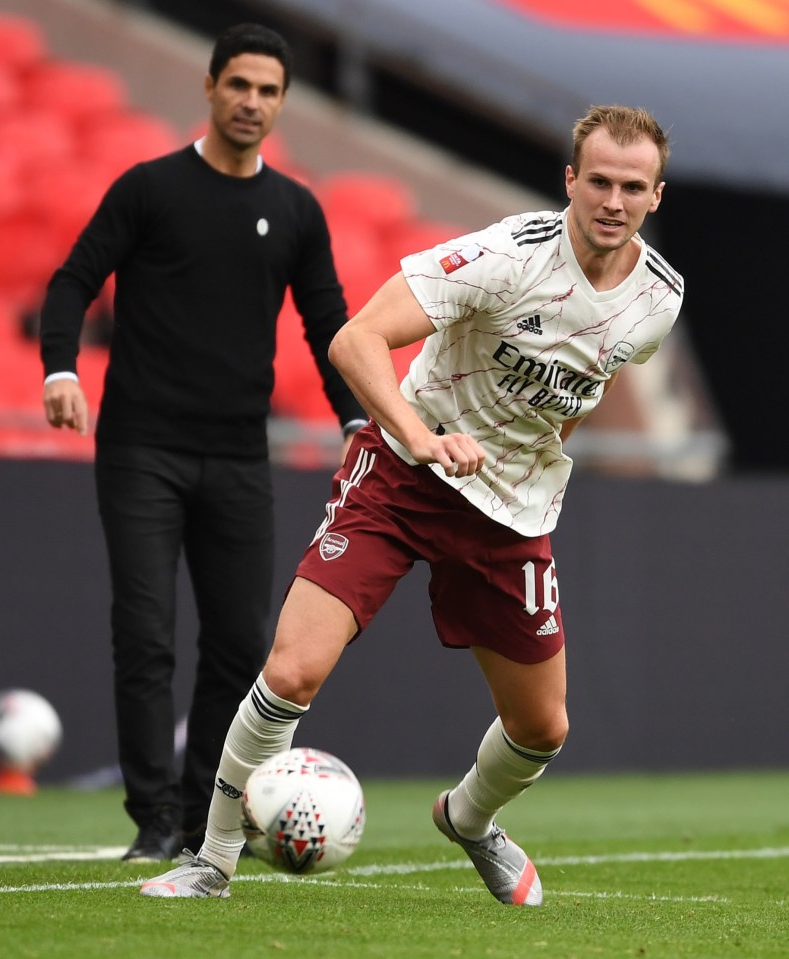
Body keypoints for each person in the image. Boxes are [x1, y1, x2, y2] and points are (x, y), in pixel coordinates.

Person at [138, 104, 684, 903]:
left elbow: (575, 395)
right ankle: (212, 860)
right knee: (292, 668)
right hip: (401, 475)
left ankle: (467, 819)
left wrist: (521, 456)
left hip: (509, 511)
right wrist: (418, 436)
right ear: (568, 180)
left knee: (543, 728)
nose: (611, 199)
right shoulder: (504, 255)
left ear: (654, 197)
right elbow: (354, 339)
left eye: (630, 186)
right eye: (596, 180)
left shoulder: (657, 299)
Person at [39, 23, 367, 862]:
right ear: (211, 87)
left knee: (235, 642)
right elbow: (75, 277)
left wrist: (356, 421)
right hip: (142, 445)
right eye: (239, 85)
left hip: (236, 456)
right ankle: (151, 819)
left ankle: (199, 816)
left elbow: (327, 324)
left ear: (281, 102)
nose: (252, 102)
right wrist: (60, 369)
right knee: (145, 631)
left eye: (268, 90)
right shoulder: (150, 189)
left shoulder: (294, 209)